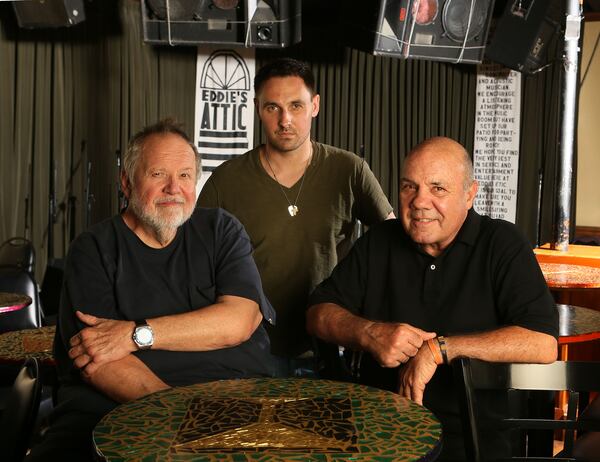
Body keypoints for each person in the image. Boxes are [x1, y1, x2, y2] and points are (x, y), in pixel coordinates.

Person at [26, 119, 275, 460]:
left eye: (186, 175)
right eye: (158, 174)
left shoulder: (221, 230)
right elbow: (96, 360)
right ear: (126, 183)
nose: (174, 188)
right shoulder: (94, 249)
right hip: (114, 407)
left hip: (235, 398)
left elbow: (240, 321)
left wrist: (135, 335)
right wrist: (180, 413)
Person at [306, 136, 558, 460]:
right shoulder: (379, 242)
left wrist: (439, 350)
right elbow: (317, 313)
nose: (419, 201)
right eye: (409, 186)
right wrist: (368, 333)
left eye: (438, 188)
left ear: (469, 194)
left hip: (474, 443)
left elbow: (542, 343)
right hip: (380, 438)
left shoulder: (502, 243)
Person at [198, 58, 394, 374]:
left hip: (325, 348)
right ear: (256, 108)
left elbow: (394, 239)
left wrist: (364, 313)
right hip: (247, 350)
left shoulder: (349, 170)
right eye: (272, 107)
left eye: (296, 106)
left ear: (314, 105)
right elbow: (194, 263)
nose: (285, 119)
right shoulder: (226, 180)